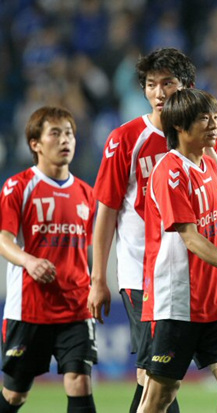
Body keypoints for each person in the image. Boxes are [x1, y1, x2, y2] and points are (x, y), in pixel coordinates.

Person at [87, 48, 217, 413]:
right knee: (151, 378)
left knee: (165, 381)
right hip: (143, 273)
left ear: (186, 86)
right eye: (151, 85)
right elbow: (106, 212)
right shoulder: (125, 139)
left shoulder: (201, 135)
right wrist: (97, 278)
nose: (159, 92)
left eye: (167, 83)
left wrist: (209, 147)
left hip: (194, 275)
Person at [137, 88, 217, 412]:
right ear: (180, 126)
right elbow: (191, 239)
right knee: (160, 395)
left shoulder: (207, 162)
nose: (213, 124)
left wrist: (209, 152)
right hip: (179, 302)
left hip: (216, 299)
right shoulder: (169, 172)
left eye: (215, 117)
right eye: (203, 119)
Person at [0, 106, 97, 412]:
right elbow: (3, 239)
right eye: (54, 133)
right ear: (35, 143)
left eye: (69, 133)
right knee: (15, 395)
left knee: (79, 381)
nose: (64, 139)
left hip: (76, 307)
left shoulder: (86, 194)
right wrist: (29, 261)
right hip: (30, 307)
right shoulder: (18, 186)